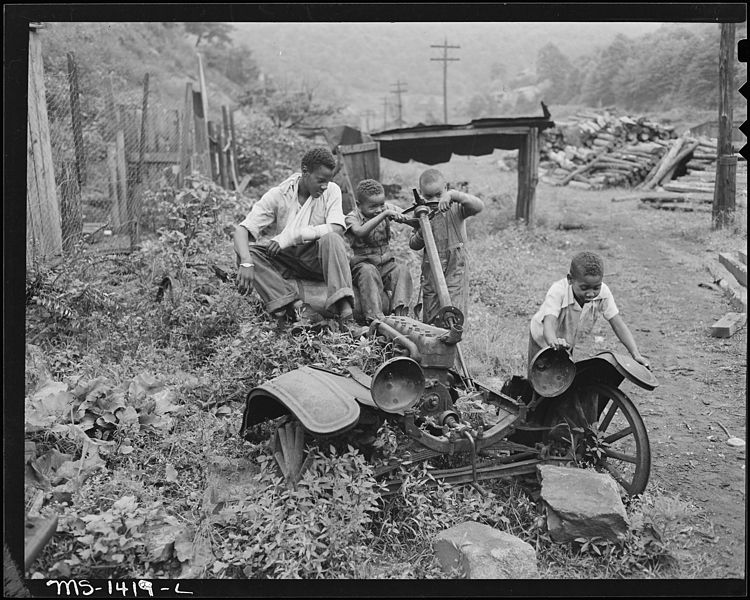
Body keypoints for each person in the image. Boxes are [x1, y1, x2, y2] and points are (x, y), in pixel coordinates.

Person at [233, 147, 365, 335]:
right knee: (250, 253)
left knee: (332, 239)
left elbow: (337, 227)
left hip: (318, 260)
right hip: (289, 260)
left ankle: (346, 314)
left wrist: (291, 236)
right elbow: (241, 230)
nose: (324, 186)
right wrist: (246, 262)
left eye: (328, 181)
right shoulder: (280, 194)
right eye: (320, 180)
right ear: (305, 172)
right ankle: (299, 307)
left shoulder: (332, 191)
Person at [528, 251, 650, 370]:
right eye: (584, 288)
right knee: (539, 374)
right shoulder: (558, 291)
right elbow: (549, 322)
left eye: (596, 287)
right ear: (570, 279)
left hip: (566, 340)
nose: (591, 293)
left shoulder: (603, 293)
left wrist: (636, 354)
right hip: (542, 338)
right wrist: (553, 342)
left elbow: (618, 324)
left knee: (562, 373)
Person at [408, 168, 484, 325]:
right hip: (431, 268)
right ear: (421, 194)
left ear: (446, 188)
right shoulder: (421, 213)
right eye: (429, 196)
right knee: (431, 306)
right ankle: (431, 344)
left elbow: (479, 206)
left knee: (453, 309)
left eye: (439, 194)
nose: (435, 200)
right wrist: (422, 228)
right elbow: (413, 244)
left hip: (454, 265)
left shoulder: (456, 208)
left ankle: (451, 341)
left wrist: (454, 195)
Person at [345, 179, 413, 322]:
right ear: (359, 205)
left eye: (381, 204)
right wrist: (384, 214)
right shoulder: (352, 217)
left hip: (387, 265)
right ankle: (375, 318)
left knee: (402, 270)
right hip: (363, 265)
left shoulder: (385, 208)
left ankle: (400, 315)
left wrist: (409, 217)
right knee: (368, 272)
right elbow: (359, 231)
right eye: (373, 206)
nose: (378, 209)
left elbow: (409, 217)